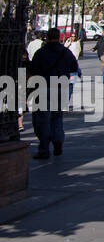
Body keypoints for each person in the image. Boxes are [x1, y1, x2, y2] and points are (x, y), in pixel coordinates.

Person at [28, 27, 79, 159]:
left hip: (43, 88)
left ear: (47, 38)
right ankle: (57, 142)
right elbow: (74, 67)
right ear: (59, 37)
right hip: (60, 87)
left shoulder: (41, 52)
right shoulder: (66, 52)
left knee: (42, 119)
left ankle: (44, 148)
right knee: (57, 117)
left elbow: (33, 69)